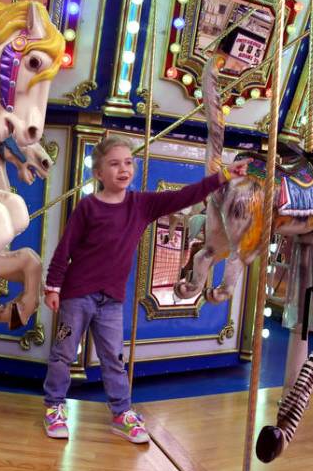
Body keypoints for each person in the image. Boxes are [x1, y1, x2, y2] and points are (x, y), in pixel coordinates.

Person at [42, 135, 247, 442]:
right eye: (114, 164)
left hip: (110, 299)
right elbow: (65, 248)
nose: (123, 169)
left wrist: (223, 176)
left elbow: (185, 196)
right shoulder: (88, 207)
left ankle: (121, 412)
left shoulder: (141, 205)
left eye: (128, 162)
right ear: (98, 174)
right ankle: (54, 405)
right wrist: (53, 286)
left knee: (113, 357)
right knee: (64, 353)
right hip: (78, 294)